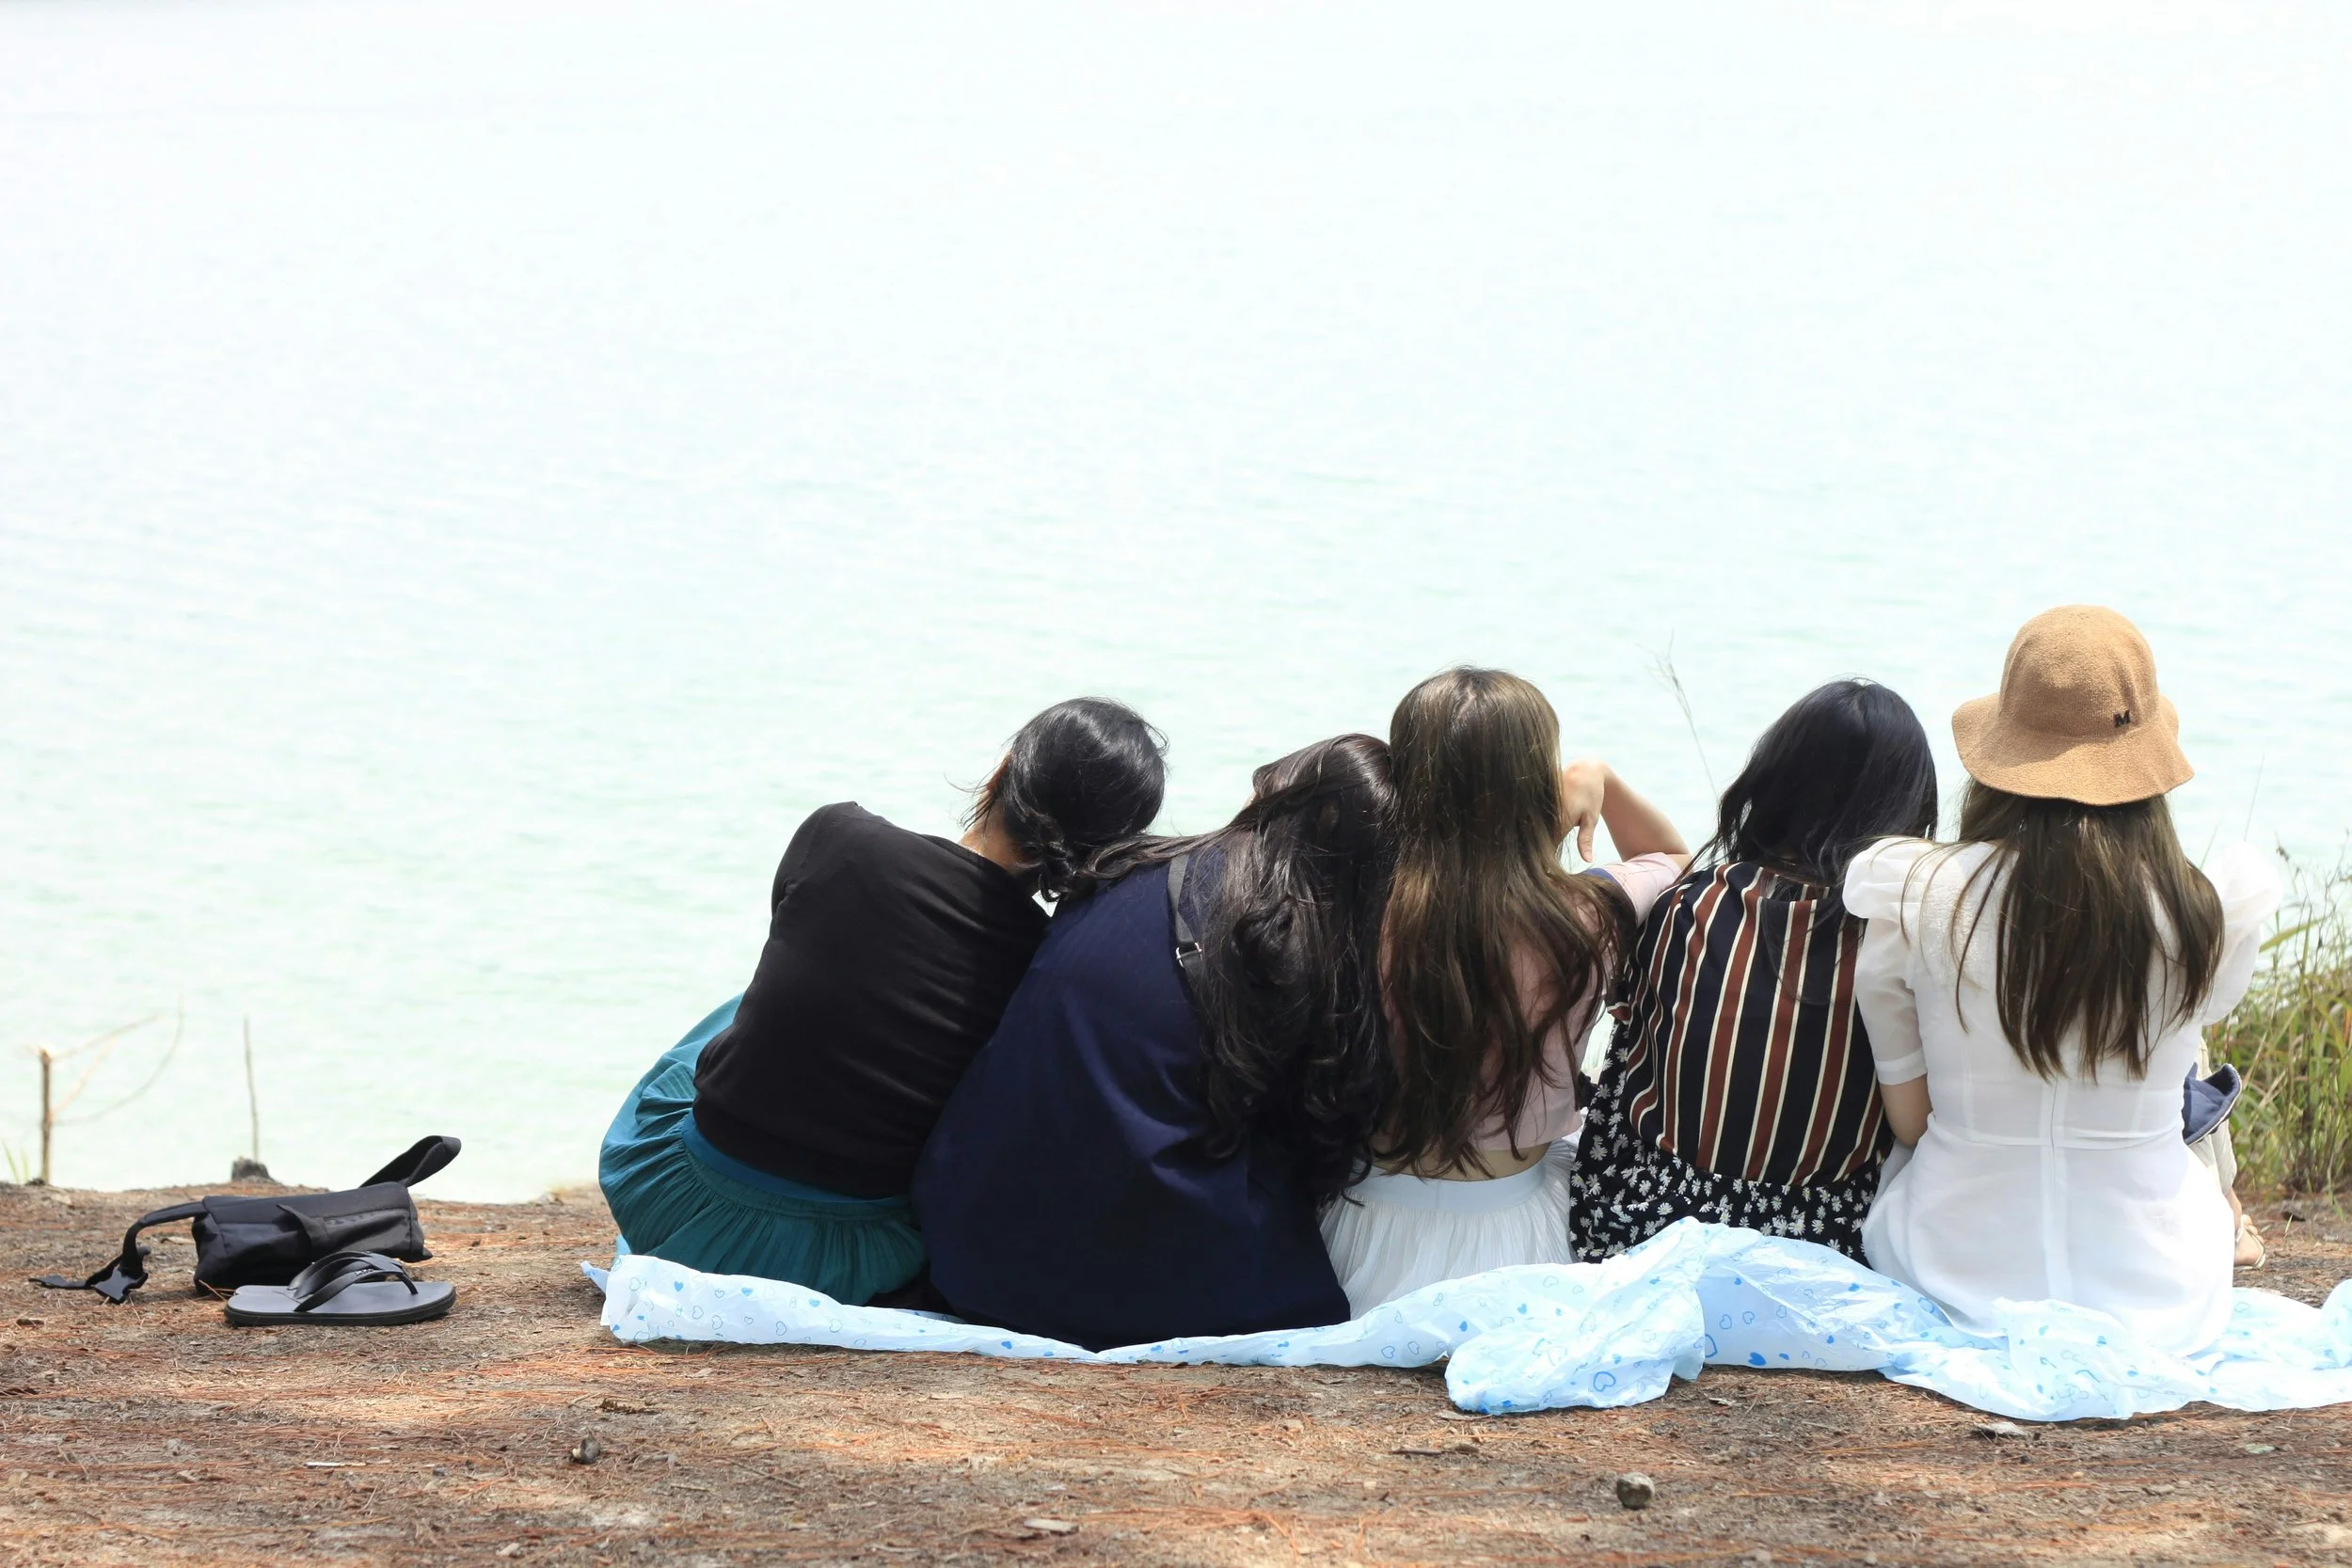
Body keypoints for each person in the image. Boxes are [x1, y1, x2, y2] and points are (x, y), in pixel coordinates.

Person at [597, 698, 1167, 1305]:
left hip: (672, 1204)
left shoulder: (839, 837)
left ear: (1003, 773)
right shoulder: (1048, 960)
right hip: (858, 1259)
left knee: (752, 1000)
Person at [1846, 606, 2280, 1354]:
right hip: (2159, 1283)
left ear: (2000, 756)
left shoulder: (1914, 896)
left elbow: (1911, 1124)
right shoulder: (2202, 911)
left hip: (1953, 1265)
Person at [911, 735, 1395, 1350]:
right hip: (1125, 1293)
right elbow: (1326, 1134)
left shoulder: (1130, 863)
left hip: (970, 1240)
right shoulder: (1295, 942)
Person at [1320, 668, 1688, 1317]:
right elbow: (1672, 859)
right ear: (1538, 785)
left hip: (1359, 1230)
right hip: (1519, 1237)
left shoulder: (1353, 905)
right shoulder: (1586, 912)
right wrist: (1596, 775)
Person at [1569, 679, 1940, 1264]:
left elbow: (1663, 865)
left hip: (1639, 1222)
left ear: (1773, 781)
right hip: (1821, 1241)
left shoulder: (1690, 905)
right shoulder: (1894, 936)